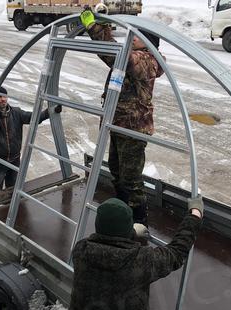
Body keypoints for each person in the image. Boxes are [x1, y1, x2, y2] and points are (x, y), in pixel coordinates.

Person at [68, 196, 204, 310]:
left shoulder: (81, 250)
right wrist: (195, 215)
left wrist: (131, 232)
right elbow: (176, 252)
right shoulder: (141, 260)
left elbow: (109, 241)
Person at [80, 10, 164, 224]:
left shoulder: (147, 61)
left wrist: (94, 28)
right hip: (118, 125)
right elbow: (117, 49)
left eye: (137, 36)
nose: (132, 37)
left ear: (147, 42)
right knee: (117, 172)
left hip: (133, 129)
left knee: (131, 179)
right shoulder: (136, 54)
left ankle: (138, 222)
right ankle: (122, 214)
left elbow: (116, 57)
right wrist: (104, 25)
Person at [0, 87, 60, 192]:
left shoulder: (16, 112)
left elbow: (33, 117)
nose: (3, 99)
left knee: (13, 190)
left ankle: (11, 208)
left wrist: (50, 111)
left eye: (4, 96)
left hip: (14, 160)